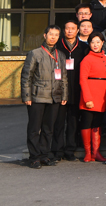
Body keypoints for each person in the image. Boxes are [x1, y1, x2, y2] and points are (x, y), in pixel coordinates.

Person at [21, 25, 69, 168]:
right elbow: (26, 77)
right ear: (45, 35)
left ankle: (44, 155)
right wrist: (26, 96)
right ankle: (34, 157)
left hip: (54, 97)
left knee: (49, 129)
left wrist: (64, 94)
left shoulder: (60, 55)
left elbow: (64, 77)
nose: (53, 37)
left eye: (56, 35)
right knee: (34, 128)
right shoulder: (34, 53)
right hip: (37, 97)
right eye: (51, 34)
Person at [52, 20, 87, 162]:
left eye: (73, 28)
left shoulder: (84, 47)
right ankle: (57, 150)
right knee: (59, 122)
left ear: (77, 30)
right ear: (63, 30)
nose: (70, 31)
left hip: (77, 90)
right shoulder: (57, 46)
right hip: (60, 89)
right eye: (67, 28)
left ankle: (70, 150)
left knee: (73, 122)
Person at [79, 33, 106, 163]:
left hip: (103, 95)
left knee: (97, 124)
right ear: (89, 44)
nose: (95, 45)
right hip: (90, 94)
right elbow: (82, 79)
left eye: (98, 42)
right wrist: (87, 98)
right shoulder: (87, 59)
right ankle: (88, 152)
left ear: (102, 43)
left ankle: (96, 152)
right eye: (93, 42)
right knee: (87, 122)